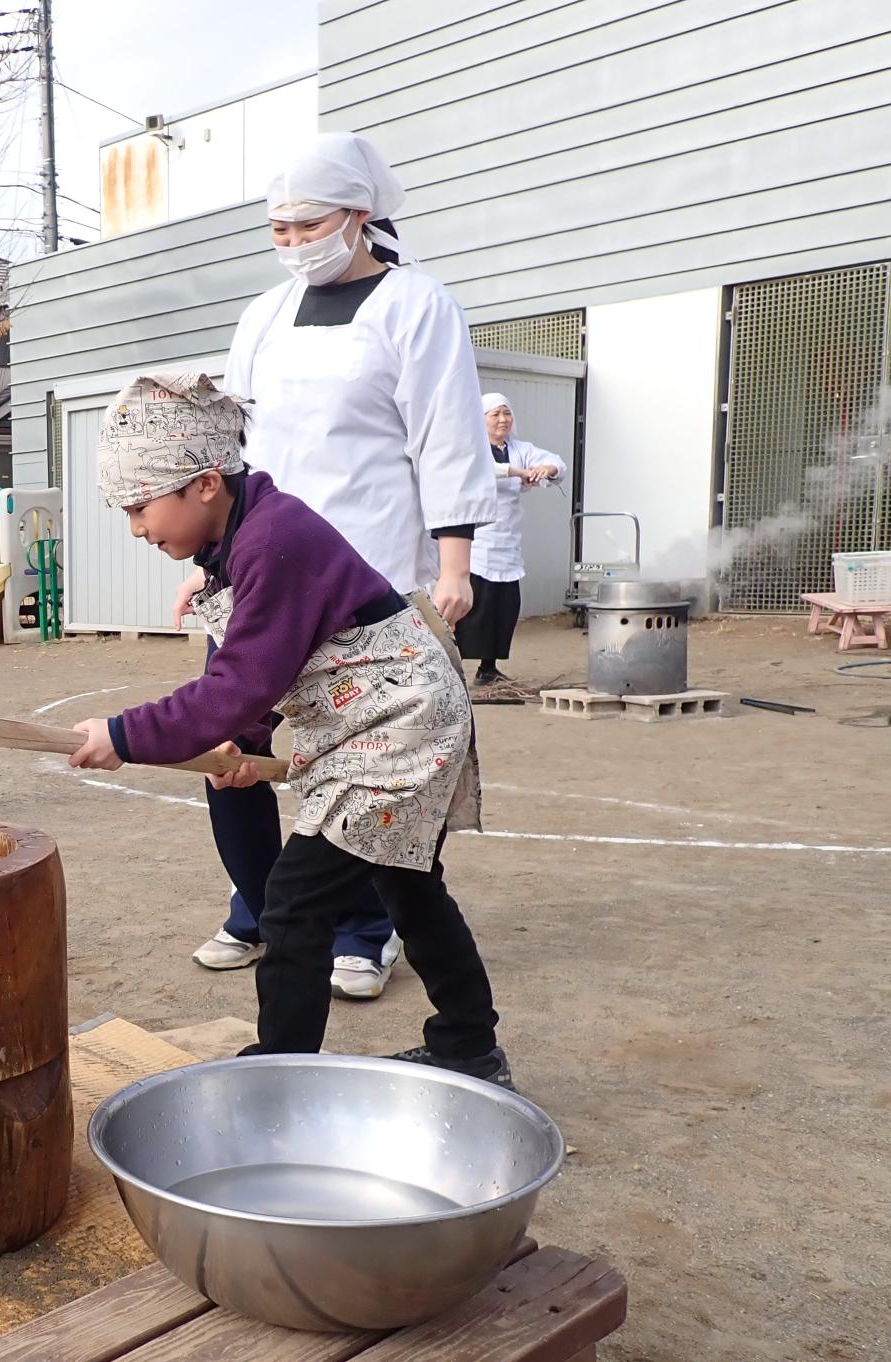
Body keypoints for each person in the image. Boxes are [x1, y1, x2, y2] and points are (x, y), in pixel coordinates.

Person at [67, 372, 508, 1087]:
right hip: (369, 721)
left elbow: (241, 680)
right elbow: (282, 661)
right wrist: (242, 745)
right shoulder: (248, 533)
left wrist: (124, 733)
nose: (138, 529)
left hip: (398, 727)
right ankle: (468, 1047)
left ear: (206, 484)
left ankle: (278, 1076)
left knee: (295, 902)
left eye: (141, 508)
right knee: (411, 890)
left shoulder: (272, 539)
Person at [200, 131, 497, 1000]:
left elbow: (445, 436)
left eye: (308, 225)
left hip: (373, 575)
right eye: (278, 230)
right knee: (230, 739)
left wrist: (454, 563)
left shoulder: (416, 304)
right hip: (261, 569)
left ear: (359, 217)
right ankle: (261, 907)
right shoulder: (263, 314)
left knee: (364, 756)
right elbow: (234, 442)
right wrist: (210, 562)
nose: (292, 243)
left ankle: (366, 928)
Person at [457, 393, 566, 687]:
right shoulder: (472, 447)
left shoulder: (520, 448)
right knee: (471, 607)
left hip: (507, 541)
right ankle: (451, 669)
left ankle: (488, 668)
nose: (503, 419)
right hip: (477, 540)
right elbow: (479, 470)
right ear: (481, 420)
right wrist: (514, 472)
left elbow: (555, 462)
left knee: (502, 608)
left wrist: (548, 469)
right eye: (495, 415)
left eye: (507, 413)